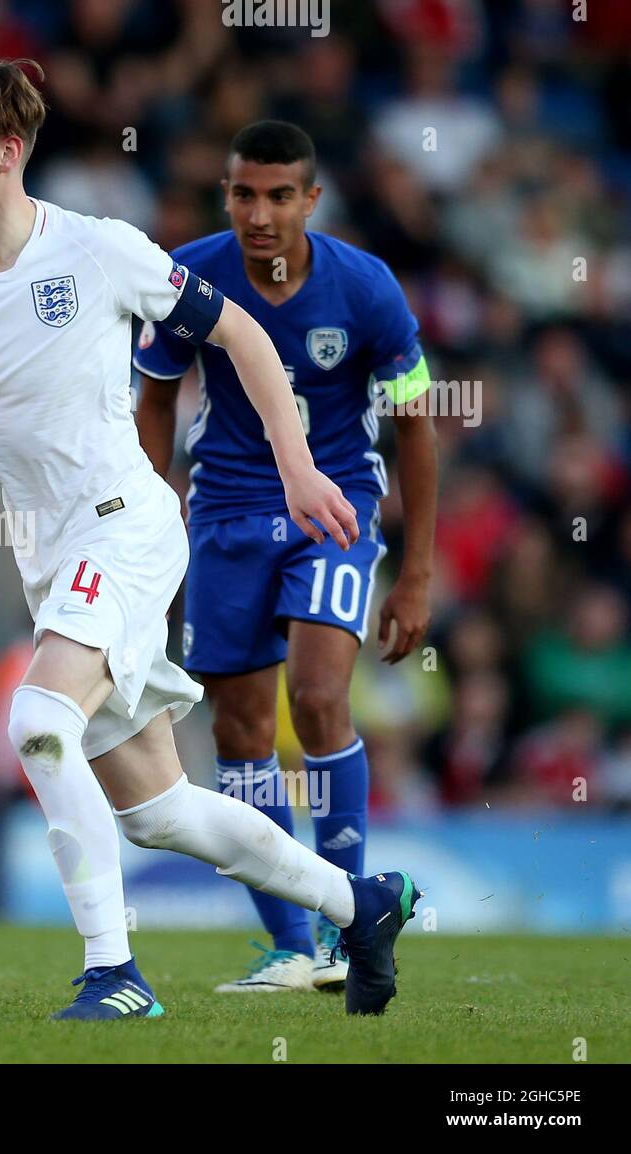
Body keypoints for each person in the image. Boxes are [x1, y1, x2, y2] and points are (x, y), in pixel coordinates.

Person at [0, 61, 420, 1018]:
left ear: (8, 149)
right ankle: (359, 904)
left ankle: (116, 977)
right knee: (158, 813)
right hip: (54, 560)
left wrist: (295, 465)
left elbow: (242, 334)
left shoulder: (99, 249)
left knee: (36, 723)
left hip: (126, 525)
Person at [134, 121, 438, 993]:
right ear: (225, 194)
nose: (258, 214)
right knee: (237, 732)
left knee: (314, 696)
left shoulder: (368, 289)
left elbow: (416, 428)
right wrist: (154, 527)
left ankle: (353, 925)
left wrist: (415, 572)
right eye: (242, 194)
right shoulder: (191, 277)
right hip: (225, 513)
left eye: (277, 196)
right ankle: (290, 946)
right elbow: (155, 402)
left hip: (334, 507)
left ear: (312, 198)